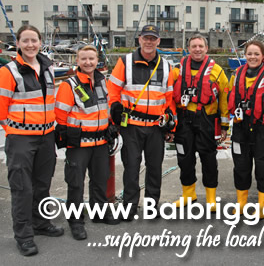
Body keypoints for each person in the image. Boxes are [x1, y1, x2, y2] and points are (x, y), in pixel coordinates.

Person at [0, 25, 64, 256]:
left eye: (34, 40)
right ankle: (24, 235)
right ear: (17, 43)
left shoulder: (47, 67)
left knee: (42, 185)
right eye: (25, 41)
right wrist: (15, 130)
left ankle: (40, 222)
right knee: (22, 188)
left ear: (40, 42)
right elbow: (1, 109)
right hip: (21, 139)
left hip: (46, 136)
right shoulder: (9, 71)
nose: (30, 45)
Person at [107, 25, 176, 221]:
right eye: (146, 38)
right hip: (131, 126)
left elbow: (169, 99)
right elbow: (112, 90)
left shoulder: (166, 66)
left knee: (154, 169)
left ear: (158, 41)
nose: (149, 42)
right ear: (139, 39)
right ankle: (129, 207)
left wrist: (172, 125)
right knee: (131, 168)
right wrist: (115, 111)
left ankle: (151, 206)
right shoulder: (125, 62)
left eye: (153, 39)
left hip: (156, 127)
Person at [55, 45, 119, 241]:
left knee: (100, 179)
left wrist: (112, 128)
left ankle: (99, 212)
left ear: (97, 60)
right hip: (79, 144)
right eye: (84, 59)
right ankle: (75, 220)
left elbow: (107, 109)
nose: (88, 62)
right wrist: (70, 138)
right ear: (77, 61)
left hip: (100, 141)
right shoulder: (69, 85)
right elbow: (60, 115)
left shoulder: (102, 82)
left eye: (91, 59)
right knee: (75, 183)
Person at [228, 40, 264, 218]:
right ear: (245, 55)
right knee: (241, 166)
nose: (252, 57)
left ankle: (262, 206)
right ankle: (241, 202)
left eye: (256, 54)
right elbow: (229, 98)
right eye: (249, 54)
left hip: (263, 129)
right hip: (240, 128)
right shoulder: (236, 75)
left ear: (263, 56)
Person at [171, 34, 229, 211]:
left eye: (200, 46)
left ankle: (211, 198)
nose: (197, 49)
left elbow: (225, 99)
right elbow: (170, 97)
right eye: (194, 46)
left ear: (206, 48)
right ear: (189, 49)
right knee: (184, 159)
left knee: (209, 159)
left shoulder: (217, 71)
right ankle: (189, 195)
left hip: (207, 120)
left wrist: (225, 126)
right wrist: (171, 124)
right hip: (183, 120)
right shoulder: (177, 70)